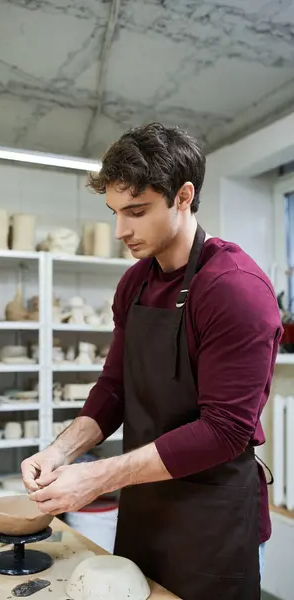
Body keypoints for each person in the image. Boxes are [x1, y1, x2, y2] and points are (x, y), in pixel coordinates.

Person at [22, 123, 282, 600]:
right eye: (115, 212)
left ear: (183, 196)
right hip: (144, 505)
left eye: (136, 212)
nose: (121, 230)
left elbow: (224, 429)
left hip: (212, 519)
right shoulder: (135, 283)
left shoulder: (235, 289)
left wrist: (98, 475)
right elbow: (115, 387)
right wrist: (60, 452)